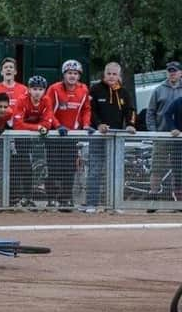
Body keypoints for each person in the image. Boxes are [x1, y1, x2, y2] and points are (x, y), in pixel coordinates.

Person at [83, 62, 136, 212]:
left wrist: (131, 124)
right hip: (98, 136)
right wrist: (99, 125)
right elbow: (90, 111)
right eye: (109, 73)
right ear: (104, 74)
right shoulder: (95, 89)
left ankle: (115, 204)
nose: (111, 77)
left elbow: (130, 110)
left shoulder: (124, 92)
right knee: (95, 169)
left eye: (114, 74)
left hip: (116, 138)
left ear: (119, 76)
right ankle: (92, 203)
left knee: (115, 170)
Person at [44, 59, 92, 210]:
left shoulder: (83, 89)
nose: (72, 76)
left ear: (79, 76)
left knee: (69, 168)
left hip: (72, 135)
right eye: (69, 73)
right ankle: (51, 198)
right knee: (54, 167)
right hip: (55, 135)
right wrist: (58, 126)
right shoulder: (54, 89)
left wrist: (86, 125)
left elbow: (86, 109)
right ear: (64, 75)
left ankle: (66, 199)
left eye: (75, 73)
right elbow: (49, 110)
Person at [10, 76, 54, 207]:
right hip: (21, 138)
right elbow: (17, 124)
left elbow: (48, 122)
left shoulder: (46, 101)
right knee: (23, 167)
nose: (37, 92)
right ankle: (23, 197)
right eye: (34, 89)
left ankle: (33, 197)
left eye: (40, 89)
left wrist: (41, 127)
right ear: (29, 89)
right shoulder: (22, 100)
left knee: (42, 166)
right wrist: (37, 127)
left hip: (39, 139)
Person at [146, 61, 182, 199]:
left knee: (178, 169)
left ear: (180, 73)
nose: (172, 73)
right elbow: (150, 112)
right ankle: (153, 196)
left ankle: (177, 199)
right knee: (157, 167)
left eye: (175, 71)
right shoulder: (158, 89)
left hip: (179, 138)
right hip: (162, 135)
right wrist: (154, 132)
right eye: (170, 71)